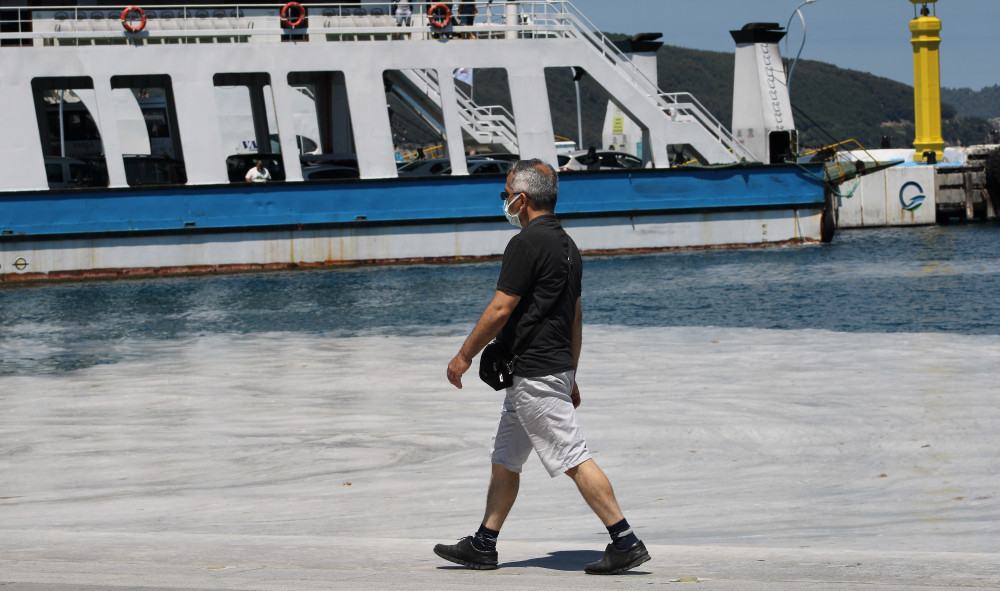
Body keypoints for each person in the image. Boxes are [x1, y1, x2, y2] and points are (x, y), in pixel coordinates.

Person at [437, 159, 650, 575]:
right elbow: (575, 316)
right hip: (543, 371)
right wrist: (571, 373)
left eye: (506, 196)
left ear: (523, 198)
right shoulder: (568, 246)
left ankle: (625, 540)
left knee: (573, 457)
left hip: (534, 372)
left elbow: (501, 308)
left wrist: (464, 356)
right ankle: (484, 543)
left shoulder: (526, 243)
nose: (505, 203)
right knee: (506, 457)